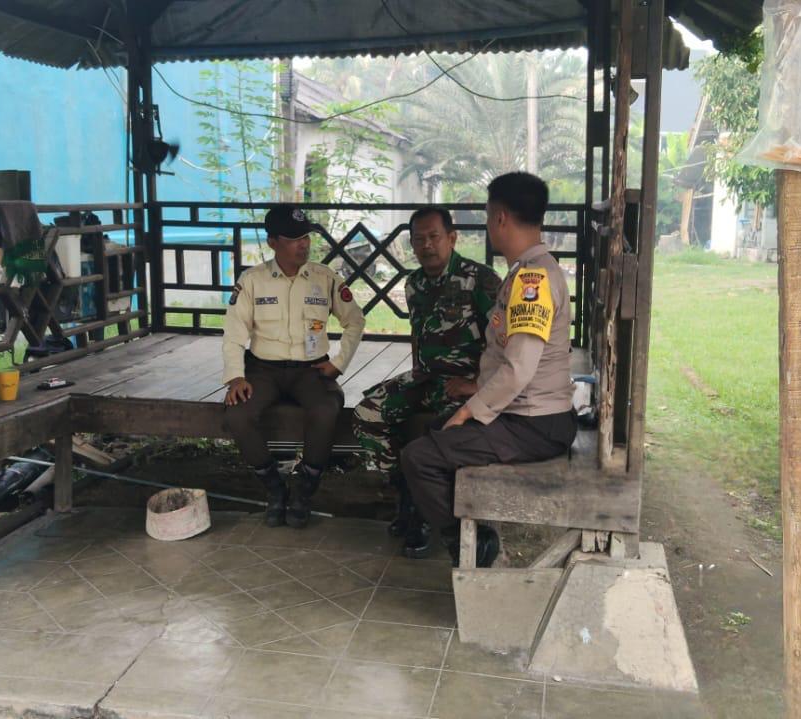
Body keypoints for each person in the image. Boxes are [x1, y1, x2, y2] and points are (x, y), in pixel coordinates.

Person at [401, 172, 577, 568]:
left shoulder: (532, 280)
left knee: (419, 458)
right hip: (531, 415)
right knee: (434, 429)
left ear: (500, 218)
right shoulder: (527, 271)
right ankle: (456, 526)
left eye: (486, 216)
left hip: (534, 423)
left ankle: (473, 544)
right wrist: (475, 388)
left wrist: (471, 410)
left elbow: (519, 367)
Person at [353, 207, 500, 558]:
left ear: (452, 238)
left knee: (444, 432)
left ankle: (428, 514)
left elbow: (503, 341)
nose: (427, 245)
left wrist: (478, 383)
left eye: (434, 237)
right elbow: (417, 334)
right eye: (418, 239)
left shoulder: (481, 279)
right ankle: (406, 494)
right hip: (427, 376)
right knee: (366, 413)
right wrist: (415, 371)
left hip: (468, 381)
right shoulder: (414, 283)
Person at [222, 205, 366, 528]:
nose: (303, 244)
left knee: (326, 409)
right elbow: (234, 333)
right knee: (237, 414)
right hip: (263, 371)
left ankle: (304, 489)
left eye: (306, 237)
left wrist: (338, 363)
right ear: (273, 242)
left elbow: (355, 321)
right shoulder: (252, 281)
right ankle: (274, 487)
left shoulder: (325, 278)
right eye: (294, 239)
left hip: (310, 370)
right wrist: (235, 377)